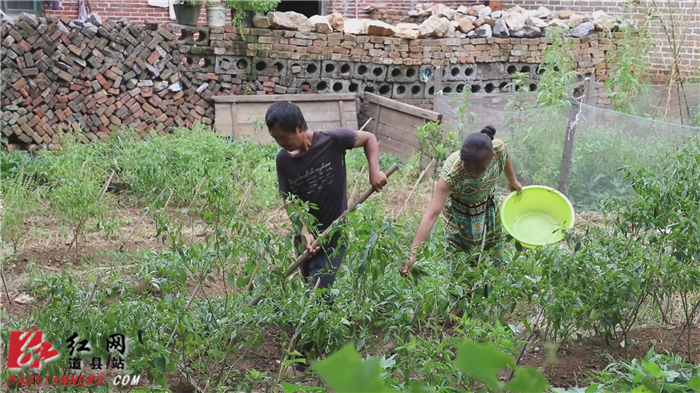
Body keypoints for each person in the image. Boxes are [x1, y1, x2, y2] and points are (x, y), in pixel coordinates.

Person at [268, 100, 387, 292]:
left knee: (321, 284)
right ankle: (315, 320)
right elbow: (289, 200)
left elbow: (369, 138)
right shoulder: (283, 160)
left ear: (299, 128)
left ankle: (325, 318)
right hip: (305, 234)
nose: (280, 143)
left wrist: (375, 171)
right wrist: (303, 231)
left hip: (334, 230)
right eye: (275, 138)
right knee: (309, 285)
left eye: (283, 137)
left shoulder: (332, 140)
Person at [401, 126, 523, 277]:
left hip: (487, 208)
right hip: (459, 215)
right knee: (460, 257)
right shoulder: (451, 173)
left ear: (491, 158)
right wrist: (413, 254)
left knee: (492, 249)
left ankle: (491, 287)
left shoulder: (496, 149)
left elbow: (505, 154)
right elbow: (431, 215)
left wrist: (512, 180)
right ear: (461, 156)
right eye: (467, 167)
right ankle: (460, 294)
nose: (471, 172)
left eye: (478, 170)